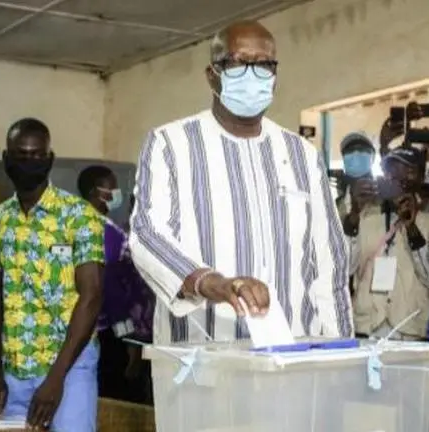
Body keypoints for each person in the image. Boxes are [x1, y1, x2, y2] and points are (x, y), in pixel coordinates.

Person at [129, 20, 353, 344]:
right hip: (203, 351)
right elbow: (149, 234)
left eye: (264, 65)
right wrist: (213, 283)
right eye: (237, 63)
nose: (252, 75)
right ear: (212, 75)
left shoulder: (302, 154)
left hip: (292, 351)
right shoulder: (172, 144)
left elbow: (328, 260)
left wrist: (340, 349)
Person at [0, 118, 105, 431]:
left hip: (69, 364)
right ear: (7, 160)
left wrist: (55, 379)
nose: (29, 162)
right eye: (21, 155)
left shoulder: (78, 217)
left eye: (37, 155)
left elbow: (91, 297)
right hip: (15, 367)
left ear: (50, 159)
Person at [348, 147, 429, 340]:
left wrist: (411, 228)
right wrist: (353, 214)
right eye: (391, 172)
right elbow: (345, 268)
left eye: (408, 173)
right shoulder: (364, 218)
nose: (399, 180)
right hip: (367, 329)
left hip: (410, 330)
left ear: (420, 180)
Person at [77, 165, 154, 405]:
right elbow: (111, 290)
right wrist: (127, 337)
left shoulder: (68, 224)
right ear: (94, 192)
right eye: (111, 188)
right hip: (108, 331)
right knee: (116, 398)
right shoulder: (109, 233)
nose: (116, 192)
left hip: (73, 325)